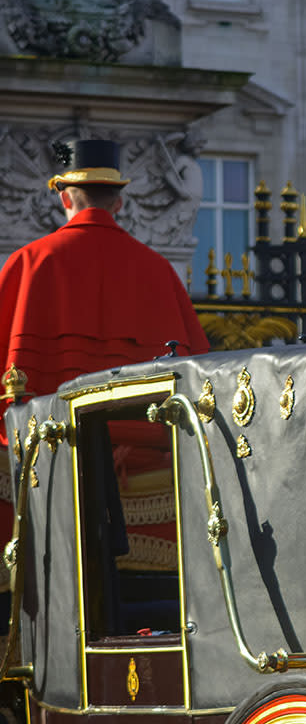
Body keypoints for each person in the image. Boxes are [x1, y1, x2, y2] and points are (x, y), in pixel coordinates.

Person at [0, 138, 209, 593]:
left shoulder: (26, 265)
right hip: (149, 485)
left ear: (63, 197)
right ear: (118, 200)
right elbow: (199, 385)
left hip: (47, 472)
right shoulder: (159, 271)